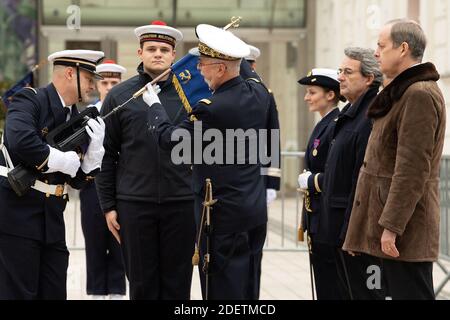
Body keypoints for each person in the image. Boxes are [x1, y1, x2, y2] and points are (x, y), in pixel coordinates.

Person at [144, 23, 280, 300]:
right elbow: (242, 68)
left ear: (220, 68)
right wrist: (224, 40)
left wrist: (155, 108)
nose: (198, 69)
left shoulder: (212, 109)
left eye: (203, 63)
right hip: (252, 210)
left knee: (221, 287)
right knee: (248, 284)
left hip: (222, 215)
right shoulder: (258, 93)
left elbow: (169, 139)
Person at [343, 20, 446, 300]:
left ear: (403, 49)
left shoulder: (419, 94)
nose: (375, 53)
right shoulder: (401, 93)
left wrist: (392, 227)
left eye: (381, 45)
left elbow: (412, 170)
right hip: (391, 228)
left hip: (405, 233)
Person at [96, 21, 195, 300]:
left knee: (178, 284)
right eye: (151, 48)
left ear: (174, 55)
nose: (158, 54)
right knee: (141, 284)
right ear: (139, 52)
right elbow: (105, 154)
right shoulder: (120, 95)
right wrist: (108, 206)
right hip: (134, 204)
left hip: (181, 203)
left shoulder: (190, 96)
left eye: (165, 49)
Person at [0, 49, 106, 300]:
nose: (93, 85)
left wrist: (93, 157)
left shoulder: (75, 116)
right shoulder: (31, 99)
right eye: (90, 78)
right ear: (70, 73)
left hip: (52, 220)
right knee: (19, 293)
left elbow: (77, 180)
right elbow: (20, 139)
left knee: (55, 292)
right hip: (18, 215)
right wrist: (60, 160)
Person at [299, 47, 384, 300]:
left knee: (366, 292)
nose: (341, 77)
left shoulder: (369, 116)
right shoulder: (351, 116)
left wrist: (350, 230)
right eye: (340, 71)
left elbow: (361, 180)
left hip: (355, 232)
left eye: (348, 72)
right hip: (338, 227)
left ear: (368, 78)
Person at [79, 59, 127, 300]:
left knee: (120, 242)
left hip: (122, 187)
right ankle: (97, 293)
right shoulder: (87, 117)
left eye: (115, 82)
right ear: (98, 85)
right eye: (105, 82)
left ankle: (117, 292)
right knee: (94, 241)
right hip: (92, 186)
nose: (109, 87)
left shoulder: (128, 111)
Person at [297, 68, 344, 300]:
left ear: (330, 95)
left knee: (331, 284)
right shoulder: (323, 123)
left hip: (328, 218)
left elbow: (337, 173)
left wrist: (313, 181)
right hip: (317, 216)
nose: (307, 97)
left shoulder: (335, 124)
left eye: (312, 92)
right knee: (323, 282)